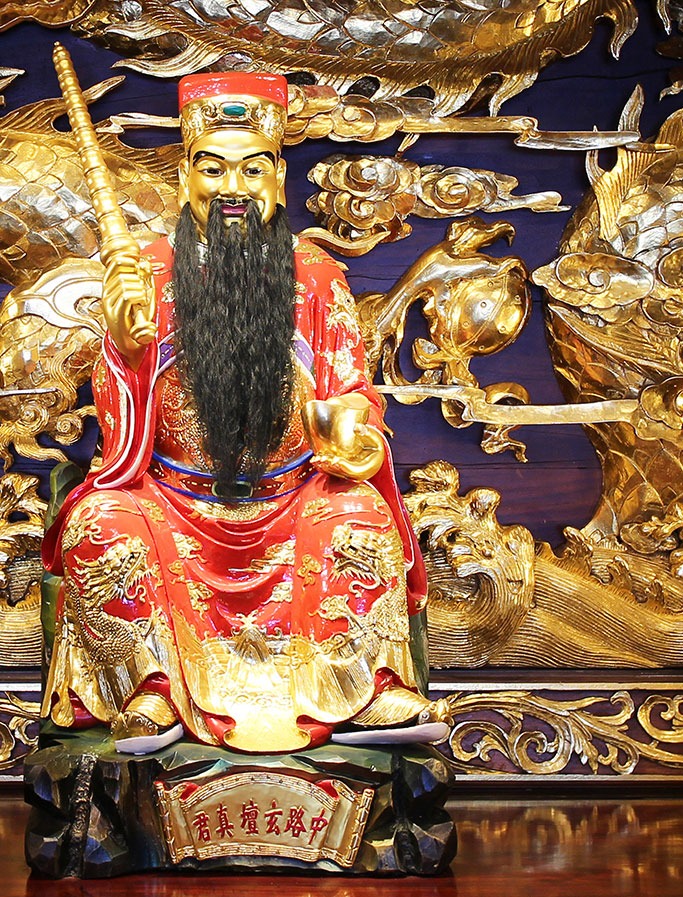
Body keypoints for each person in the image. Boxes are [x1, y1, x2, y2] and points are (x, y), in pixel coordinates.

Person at [40, 73, 450, 754]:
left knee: (360, 516)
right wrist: (125, 351)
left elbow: (352, 387)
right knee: (101, 525)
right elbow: (117, 425)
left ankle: (364, 687)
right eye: (213, 168)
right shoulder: (144, 275)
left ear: (278, 180)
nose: (232, 187)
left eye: (252, 169)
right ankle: (153, 687)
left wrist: (352, 432)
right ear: (184, 178)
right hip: (173, 502)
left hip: (292, 500)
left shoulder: (315, 278)